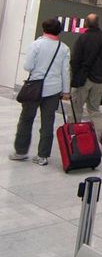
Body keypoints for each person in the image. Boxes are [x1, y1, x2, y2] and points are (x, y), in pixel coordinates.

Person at [8, 18, 71, 166]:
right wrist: (66, 90)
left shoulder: (36, 45)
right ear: (59, 30)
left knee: (26, 119)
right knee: (48, 122)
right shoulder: (64, 48)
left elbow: (28, 66)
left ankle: (21, 151)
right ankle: (43, 156)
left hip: (34, 89)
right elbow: (65, 71)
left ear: (44, 29)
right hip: (53, 90)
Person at [70, 13, 102, 153]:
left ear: (86, 24)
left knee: (76, 109)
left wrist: (75, 76)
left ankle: (75, 138)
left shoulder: (83, 38)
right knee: (94, 109)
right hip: (100, 80)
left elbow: (75, 59)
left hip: (84, 79)